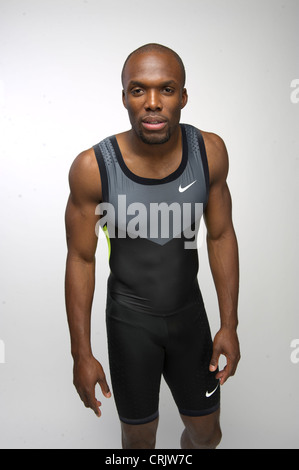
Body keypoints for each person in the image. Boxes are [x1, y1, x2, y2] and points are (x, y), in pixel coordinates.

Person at [64, 43, 240, 449]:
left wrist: (229, 324)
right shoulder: (93, 168)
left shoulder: (209, 152)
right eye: (138, 90)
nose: (153, 103)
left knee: (206, 434)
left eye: (167, 89)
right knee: (138, 442)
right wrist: (81, 354)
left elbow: (220, 234)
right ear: (124, 96)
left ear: (183, 97)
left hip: (188, 320)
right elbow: (80, 258)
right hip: (130, 325)